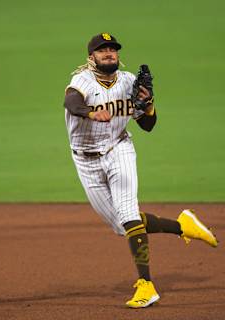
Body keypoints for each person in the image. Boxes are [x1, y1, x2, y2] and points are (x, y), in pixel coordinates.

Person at [63, 33, 218, 308]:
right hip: (85, 161)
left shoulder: (128, 82)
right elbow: (72, 103)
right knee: (122, 226)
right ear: (92, 57)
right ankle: (184, 226)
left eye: (113, 49)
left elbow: (148, 126)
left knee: (127, 213)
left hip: (119, 150)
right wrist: (90, 113)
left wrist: (148, 105)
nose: (109, 53)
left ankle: (147, 285)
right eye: (103, 50)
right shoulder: (82, 81)